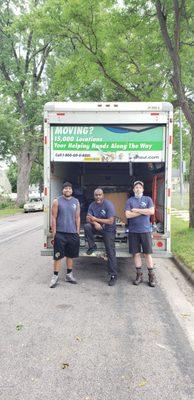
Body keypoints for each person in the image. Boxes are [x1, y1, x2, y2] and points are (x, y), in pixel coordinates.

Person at [125, 180, 156, 287]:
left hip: (145, 230)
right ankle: (139, 275)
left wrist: (137, 210)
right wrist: (143, 211)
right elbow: (128, 215)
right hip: (133, 231)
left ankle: (151, 276)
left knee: (147, 254)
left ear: (143, 189)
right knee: (136, 254)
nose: (138, 189)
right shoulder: (130, 200)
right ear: (133, 190)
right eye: (136, 187)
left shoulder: (148, 199)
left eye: (140, 187)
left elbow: (151, 212)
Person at [84, 188, 117, 286]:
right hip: (97, 227)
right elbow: (87, 218)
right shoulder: (92, 205)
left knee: (110, 251)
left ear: (103, 195)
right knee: (87, 226)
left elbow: (110, 221)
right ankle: (92, 246)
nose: (98, 197)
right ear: (94, 196)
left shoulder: (108, 204)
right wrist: (95, 222)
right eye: (96, 195)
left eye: (100, 195)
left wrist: (96, 219)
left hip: (108, 229)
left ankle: (113, 275)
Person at [49, 182, 80, 288]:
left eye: (69, 188)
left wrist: (77, 231)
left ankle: (69, 275)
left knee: (70, 255)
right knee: (58, 256)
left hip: (72, 233)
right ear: (63, 190)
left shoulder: (76, 201)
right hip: (60, 234)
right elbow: (53, 217)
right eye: (66, 188)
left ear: (72, 190)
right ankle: (55, 276)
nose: (68, 190)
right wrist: (54, 232)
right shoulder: (57, 201)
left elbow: (77, 217)